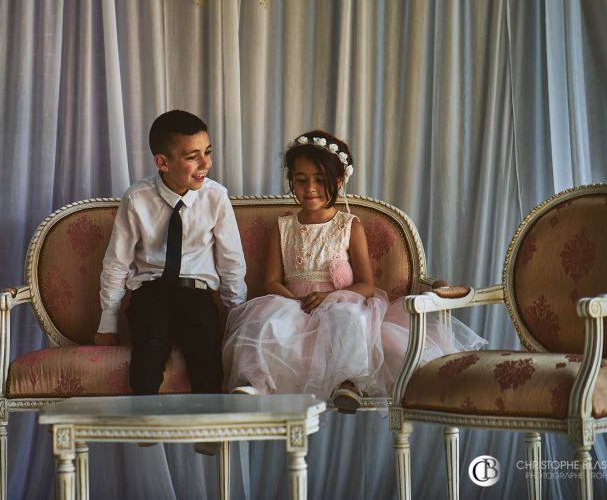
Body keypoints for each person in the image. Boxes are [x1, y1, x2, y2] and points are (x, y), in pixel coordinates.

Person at [223, 130, 485, 409]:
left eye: (320, 181)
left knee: (347, 318)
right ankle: (255, 383)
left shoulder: (349, 225)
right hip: (294, 303)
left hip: (338, 303)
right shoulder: (284, 226)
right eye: (301, 180)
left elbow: (366, 285)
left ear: (338, 181)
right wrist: (293, 300)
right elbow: (271, 280)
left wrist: (328, 298)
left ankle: (347, 384)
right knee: (267, 321)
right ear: (291, 182)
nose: (310, 188)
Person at [94, 110, 247, 397]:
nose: (205, 164)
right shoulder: (137, 199)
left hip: (197, 292)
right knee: (148, 355)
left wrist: (236, 315)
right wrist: (107, 322)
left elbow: (231, 261)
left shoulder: (216, 197)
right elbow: (116, 262)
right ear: (162, 162)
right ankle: (145, 423)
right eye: (192, 157)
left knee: (206, 358)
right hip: (151, 293)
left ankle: (209, 431)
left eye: (208, 152)